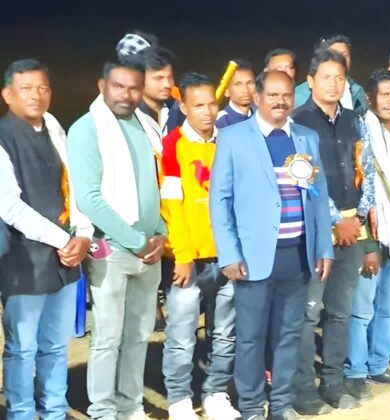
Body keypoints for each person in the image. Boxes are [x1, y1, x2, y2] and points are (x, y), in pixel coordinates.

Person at [210, 70, 334, 420]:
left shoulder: (306, 138)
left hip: (298, 254)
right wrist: (229, 253)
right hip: (253, 258)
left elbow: (318, 196)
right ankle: (251, 406)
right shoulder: (233, 137)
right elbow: (220, 199)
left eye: (286, 95)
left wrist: (323, 247)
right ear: (258, 98)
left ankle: (281, 404)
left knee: (289, 335)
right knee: (250, 337)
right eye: (273, 95)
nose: (281, 101)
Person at [68, 56, 167, 420]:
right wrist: (137, 242)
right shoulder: (87, 129)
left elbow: (157, 186)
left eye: (133, 88)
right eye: (118, 86)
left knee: (139, 334)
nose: (126, 95)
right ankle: (103, 411)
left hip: (150, 248)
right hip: (111, 249)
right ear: (102, 86)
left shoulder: (146, 125)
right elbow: (89, 198)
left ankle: (130, 406)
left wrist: (161, 233)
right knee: (108, 337)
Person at [0, 59, 92, 420]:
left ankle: (54, 411)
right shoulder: (3, 138)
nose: (36, 95)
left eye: (43, 88)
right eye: (26, 88)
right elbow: (10, 207)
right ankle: (22, 413)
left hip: (65, 258)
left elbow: (74, 184)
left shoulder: (54, 127)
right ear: (8, 95)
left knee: (55, 345)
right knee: (22, 349)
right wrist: (63, 240)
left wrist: (83, 233)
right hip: (24, 261)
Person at [291, 48, 377, 413]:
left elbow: (368, 170)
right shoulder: (297, 121)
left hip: (352, 229)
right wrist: (334, 219)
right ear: (310, 81)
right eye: (326, 77)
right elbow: (303, 177)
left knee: (341, 311)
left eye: (340, 78)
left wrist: (358, 217)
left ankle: (333, 382)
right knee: (308, 314)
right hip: (315, 231)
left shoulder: (355, 120)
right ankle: (302, 390)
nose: (333, 84)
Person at [159, 73, 241, 420]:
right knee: (181, 335)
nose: (207, 112)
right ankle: (179, 400)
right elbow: (171, 206)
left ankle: (216, 394)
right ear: (183, 107)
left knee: (225, 334)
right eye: (198, 105)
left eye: (212, 104)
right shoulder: (172, 145)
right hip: (189, 261)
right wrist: (182, 255)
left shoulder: (229, 140)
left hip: (227, 258)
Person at [343, 69, 390, 399]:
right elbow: (359, 189)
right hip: (372, 232)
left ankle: (379, 363)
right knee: (362, 308)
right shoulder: (361, 131)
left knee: (389, 306)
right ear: (370, 97)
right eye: (384, 94)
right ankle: (355, 370)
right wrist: (367, 243)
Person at [295, 35, 368, 112]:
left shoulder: (358, 91)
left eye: (344, 55)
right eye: (334, 55)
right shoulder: (298, 96)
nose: (340, 60)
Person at [216, 59, 257, 128]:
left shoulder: (262, 119)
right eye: (238, 84)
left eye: (249, 83)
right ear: (226, 91)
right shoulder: (218, 122)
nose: (245, 90)